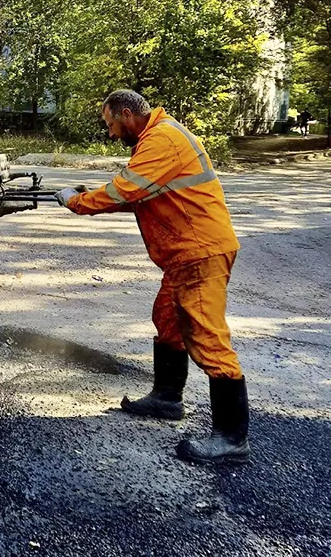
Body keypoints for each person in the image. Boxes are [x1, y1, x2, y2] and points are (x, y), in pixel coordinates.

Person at [54, 89, 249, 465]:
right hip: (185, 254)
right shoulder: (159, 136)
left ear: (127, 114)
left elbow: (125, 189)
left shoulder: (162, 139)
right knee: (167, 319)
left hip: (199, 252)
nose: (111, 133)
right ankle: (167, 398)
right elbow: (134, 193)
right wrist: (87, 195)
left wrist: (77, 202)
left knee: (206, 335)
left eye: (111, 125)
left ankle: (232, 439)